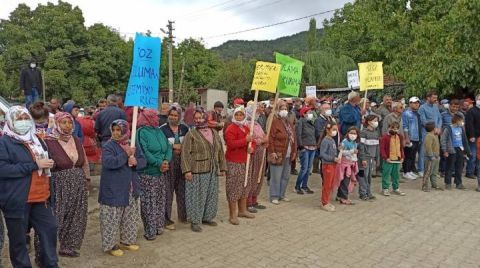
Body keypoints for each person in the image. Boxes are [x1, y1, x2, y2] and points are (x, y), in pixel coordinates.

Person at [0, 106, 58, 267]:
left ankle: (49, 264)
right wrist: (33, 165)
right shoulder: (5, 142)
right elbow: (3, 169)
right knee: (19, 241)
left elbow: (44, 159)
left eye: (26, 118)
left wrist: (48, 163)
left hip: (41, 197)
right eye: (19, 119)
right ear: (10, 122)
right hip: (17, 200)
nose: (23, 122)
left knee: (50, 230)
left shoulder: (37, 139)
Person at [44, 112, 90, 257]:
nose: (67, 125)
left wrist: (87, 179)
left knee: (76, 214)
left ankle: (68, 246)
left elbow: (84, 162)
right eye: (63, 122)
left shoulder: (75, 140)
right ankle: (47, 250)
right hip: (59, 184)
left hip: (78, 182)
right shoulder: (48, 141)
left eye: (69, 122)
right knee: (57, 215)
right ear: (57, 123)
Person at [98, 119, 145, 257]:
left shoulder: (132, 143)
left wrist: (136, 161)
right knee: (111, 218)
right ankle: (111, 245)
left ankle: (127, 241)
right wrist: (126, 155)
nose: (116, 133)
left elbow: (143, 161)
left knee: (130, 216)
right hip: (114, 189)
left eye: (119, 130)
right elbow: (109, 162)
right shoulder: (109, 146)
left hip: (130, 188)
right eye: (114, 130)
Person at [181, 108, 227, 232]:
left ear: (206, 117)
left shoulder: (214, 132)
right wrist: (187, 171)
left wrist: (223, 167)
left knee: (211, 194)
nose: (198, 120)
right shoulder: (191, 134)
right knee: (197, 196)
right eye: (195, 118)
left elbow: (220, 151)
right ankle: (195, 220)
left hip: (212, 169)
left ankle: (208, 217)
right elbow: (185, 153)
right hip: (197, 170)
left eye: (200, 117)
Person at [137, 109, 172, 240]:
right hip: (148, 173)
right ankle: (150, 230)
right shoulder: (141, 132)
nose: (158, 119)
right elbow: (144, 152)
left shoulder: (158, 130)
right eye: (155, 116)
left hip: (161, 172)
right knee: (148, 203)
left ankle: (158, 226)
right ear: (148, 117)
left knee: (160, 200)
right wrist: (158, 163)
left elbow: (168, 147)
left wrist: (166, 161)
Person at [224, 106, 256, 225]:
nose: (239, 117)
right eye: (236, 115)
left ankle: (242, 210)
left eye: (241, 115)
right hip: (234, 162)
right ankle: (232, 215)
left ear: (244, 116)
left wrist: (252, 148)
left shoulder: (247, 128)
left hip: (245, 162)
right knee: (233, 187)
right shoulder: (230, 128)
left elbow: (252, 141)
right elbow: (231, 144)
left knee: (244, 185)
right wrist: (245, 141)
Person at [160, 105, 189, 230]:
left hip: (182, 162)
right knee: (168, 191)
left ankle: (183, 216)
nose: (173, 117)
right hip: (169, 162)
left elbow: (188, 143)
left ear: (179, 116)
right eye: (171, 115)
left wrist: (182, 147)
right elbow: (161, 145)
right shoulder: (162, 129)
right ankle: (166, 219)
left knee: (182, 190)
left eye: (175, 115)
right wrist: (173, 147)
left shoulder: (185, 128)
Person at [268, 100, 297, 204]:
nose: (284, 111)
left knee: (285, 176)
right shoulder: (274, 122)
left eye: (285, 109)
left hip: (288, 154)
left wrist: (294, 151)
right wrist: (272, 151)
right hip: (278, 153)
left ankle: (282, 194)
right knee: (276, 176)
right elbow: (270, 138)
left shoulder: (288, 123)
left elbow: (294, 138)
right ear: (278, 110)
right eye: (282, 109)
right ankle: (274, 196)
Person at [245, 105, 269, 213]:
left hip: (261, 153)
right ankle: (248, 202)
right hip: (253, 154)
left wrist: (265, 139)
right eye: (256, 112)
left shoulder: (257, 124)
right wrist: (261, 140)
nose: (258, 114)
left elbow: (263, 136)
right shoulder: (247, 125)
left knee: (259, 176)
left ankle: (254, 200)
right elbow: (253, 139)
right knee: (252, 176)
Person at [441, 114, 470, 190]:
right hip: (451, 150)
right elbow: (443, 140)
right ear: (457, 120)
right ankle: (448, 183)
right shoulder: (448, 128)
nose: (462, 122)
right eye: (461, 120)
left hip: (460, 150)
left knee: (459, 167)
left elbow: (464, 140)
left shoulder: (461, 128)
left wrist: (466, 151)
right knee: (449, 167)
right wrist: (444, 150)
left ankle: (458, 183)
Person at [418, 92, 442, 176]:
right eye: (434, 97)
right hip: (426, 132)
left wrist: (438, 128)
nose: (436, 99)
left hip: (436, 132)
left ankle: (433, 171)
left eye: (436, 97)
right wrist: (433, 129)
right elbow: (423, 121)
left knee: (435, 150)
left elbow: (439, 118)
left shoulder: (436, 107)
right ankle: (421, 169)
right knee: (424, 151)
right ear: (428, 98)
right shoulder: (422, 108)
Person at [380, 121, 406, 196]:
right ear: (389, 128)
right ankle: (385, 189)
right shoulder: (385, 137)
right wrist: (385, 157)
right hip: (388, 159)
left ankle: (396, 188)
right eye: (393, 128)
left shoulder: (400, 136)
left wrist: (402, 156)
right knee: (386, 174)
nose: (395, 130)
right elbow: (382, 149)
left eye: (397, 129)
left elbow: (401, 148)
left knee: (396, 174)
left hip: (397, 159)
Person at [335, 127, 359, 205]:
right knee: (345, 181)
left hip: (351, 163)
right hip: (344, 165)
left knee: (346, 181)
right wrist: (352, 151)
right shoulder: (344, 142)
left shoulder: (355, 143)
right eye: (351, 133)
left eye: (355, 133)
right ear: (347, 133)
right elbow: (341, 152)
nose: (353, 135)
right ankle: (344, 198)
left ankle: (339, 196)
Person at [295, 107, 317, 194]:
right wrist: (300, 146)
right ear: (304, 114)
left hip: (312, 147)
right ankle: (297, 186)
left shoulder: (311, 122)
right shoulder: (300, 122)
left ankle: (304, 185)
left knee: (308, 168)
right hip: (304, 147)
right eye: (309, 112)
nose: (311, 113)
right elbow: (298, 134)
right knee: (304, 168)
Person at [319, 121, 340, 211]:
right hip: (327, 165)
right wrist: (333, 158)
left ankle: (327, 200)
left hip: (333, 165)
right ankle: (324, 203)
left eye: (336, 130)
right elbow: (322, 154)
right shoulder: (325, 140)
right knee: (327, 185)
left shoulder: (332, 140)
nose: (335, 131)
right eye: (333, 129)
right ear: (328, 130)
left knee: (330, 184)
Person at [358, 115, 379, 201]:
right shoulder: (363, 132)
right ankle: (362, 193)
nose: (376, 122)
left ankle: (368, 192)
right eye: (374, 120)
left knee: (369, 176)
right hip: (365, 158)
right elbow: (361, 146)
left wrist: (377, 158)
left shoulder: (376, 132)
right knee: (363, 176)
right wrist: (363, 158)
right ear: (369, 122)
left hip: (371, 158)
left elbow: (377, 146)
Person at [77, 107, 101, 175]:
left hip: (81, 141)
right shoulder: (92, 121)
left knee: (83, 156)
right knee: (92, 156)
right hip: (90, 141)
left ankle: (84, 172)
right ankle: (91, 171)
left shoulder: (78, 120)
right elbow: (94, 132)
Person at [402, 97, 421, 180]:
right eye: (414, 103)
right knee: (408, 156)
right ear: (410, 103)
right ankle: (405, 172)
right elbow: (405, 126)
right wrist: (406, 138)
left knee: (412, 156)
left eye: (417, 103)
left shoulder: (417, 113)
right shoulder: (406, 113)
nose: (416, 104)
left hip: (417, 138)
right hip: (410, 138)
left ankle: (410, 171)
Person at [423, 122, 443, 192]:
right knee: (428, 172)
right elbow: (428, 147)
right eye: (437, 128)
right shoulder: (429, 136)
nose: (438, 129)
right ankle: (425, 186)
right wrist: (431, 156)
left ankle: (434, 184)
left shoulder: (435, 135)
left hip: (436, 156)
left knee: (434, 171)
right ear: (433, 129)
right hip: (430, 157)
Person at [465, 94, 480, 179]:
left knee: (479, 156)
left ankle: (476, 171)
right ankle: (469, 172)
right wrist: (471, 135)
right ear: (476, 100)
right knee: (473, 155)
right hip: (474, 137)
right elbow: (469, 124)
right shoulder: (472, 111)